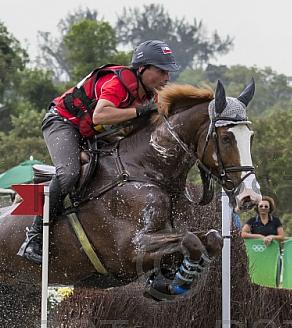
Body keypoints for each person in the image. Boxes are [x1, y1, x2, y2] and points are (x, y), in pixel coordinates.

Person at [19, 39, 180, 264]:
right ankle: (34, 237)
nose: (167, 78)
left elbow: (130, 130)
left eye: (168, 72)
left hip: (90, 134)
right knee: (69, 174)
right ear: (142, 69)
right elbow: (100, 116)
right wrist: (142, 111)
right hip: (62, 123)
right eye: (161, 71)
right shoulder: (118, 82)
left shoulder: (147, 94)